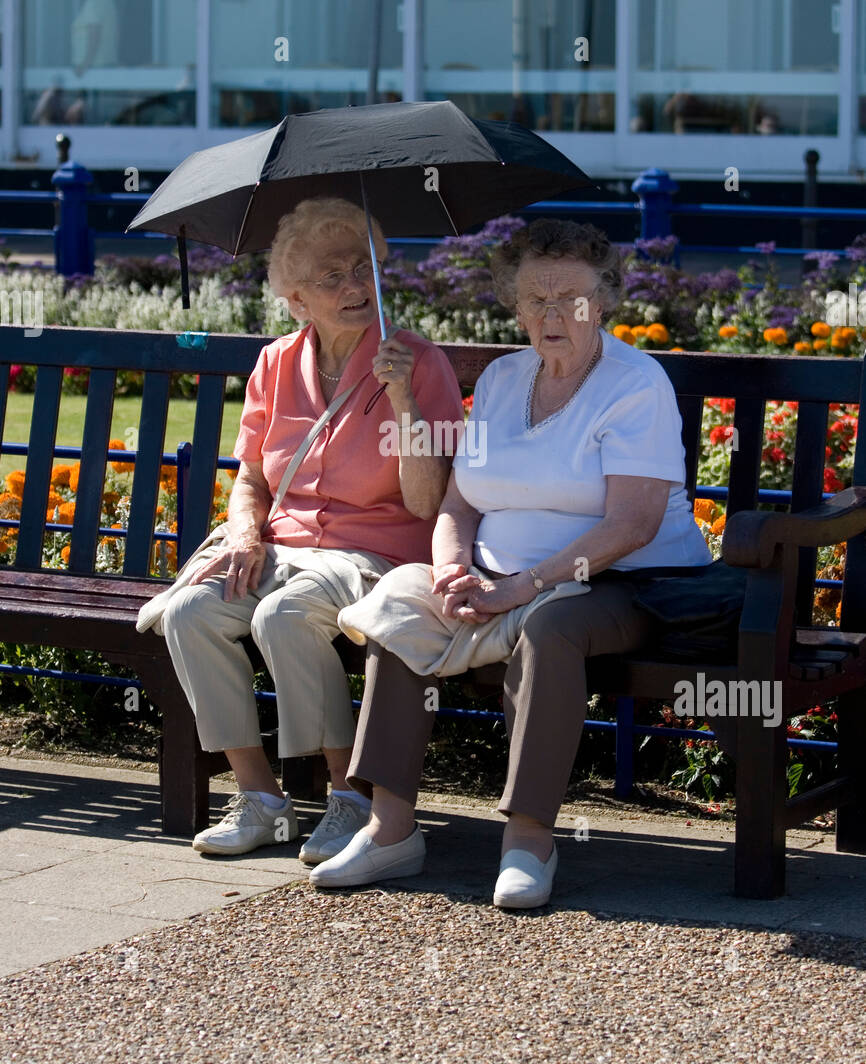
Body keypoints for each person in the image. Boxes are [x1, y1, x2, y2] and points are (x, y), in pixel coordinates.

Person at [309, 219, 711, 908]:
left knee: (550, 628)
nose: (552, 315)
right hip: (497, 576)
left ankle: (529, 841)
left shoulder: (634, 384)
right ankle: (390, 829)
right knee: (400, 606)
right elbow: (459, 505)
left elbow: (630, 525)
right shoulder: (501, 379)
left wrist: (522, 586)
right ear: (515, 306)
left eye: (571, 298)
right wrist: (450, 571)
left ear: (605, 299)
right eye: (535, 299)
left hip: (620, 582)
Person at [158, 198, 464, 862]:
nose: (355, 285)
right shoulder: (274, 365)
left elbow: (427, 502)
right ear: (296, 299)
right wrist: (244, 533)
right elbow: (251, 481)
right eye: (333, 276)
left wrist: (406, 399)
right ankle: (260, 799)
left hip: (375, 552)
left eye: (363, 268)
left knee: (284, 616)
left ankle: (348, 798)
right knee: (189, 612)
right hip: (285, 545)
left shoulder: (416, 360)